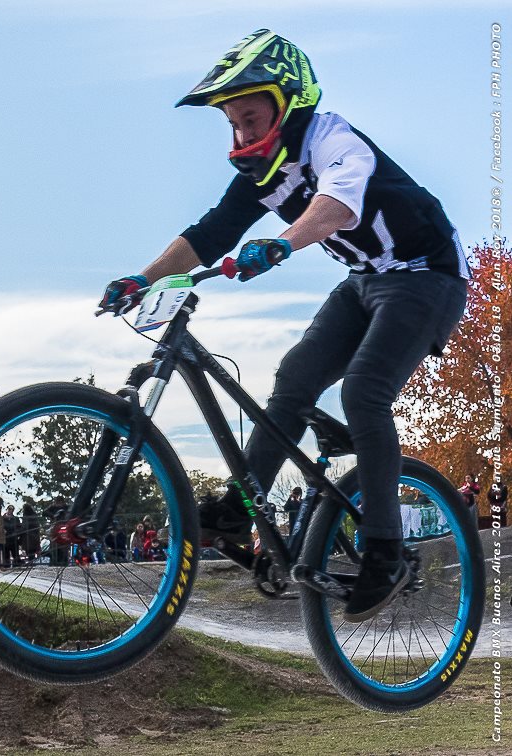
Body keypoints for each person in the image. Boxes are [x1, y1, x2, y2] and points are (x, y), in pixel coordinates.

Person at [99, 29, 469, 623]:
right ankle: (243, 509)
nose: (242, 134)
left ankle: (385, 549)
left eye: (251, 117)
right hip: (365, 282)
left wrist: (282, 243)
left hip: (428, 275)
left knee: (364, 391)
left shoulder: (333, 140)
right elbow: (210, 233)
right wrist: (139, 280)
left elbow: (339, 206)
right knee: (292, 380)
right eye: (234, 123)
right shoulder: (261, 174)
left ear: (288, 100)